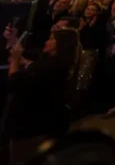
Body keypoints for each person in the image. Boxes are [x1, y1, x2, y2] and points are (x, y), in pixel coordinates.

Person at [3, 28, 80, 160]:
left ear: (59, 45)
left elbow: (14, 83)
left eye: (51, 39)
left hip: (31, 128)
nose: (46, 42)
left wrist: (15, 59)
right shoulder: (52, 63)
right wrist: (14, 42)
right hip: (39, 125)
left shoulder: (51, 68)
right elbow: (30, 61)